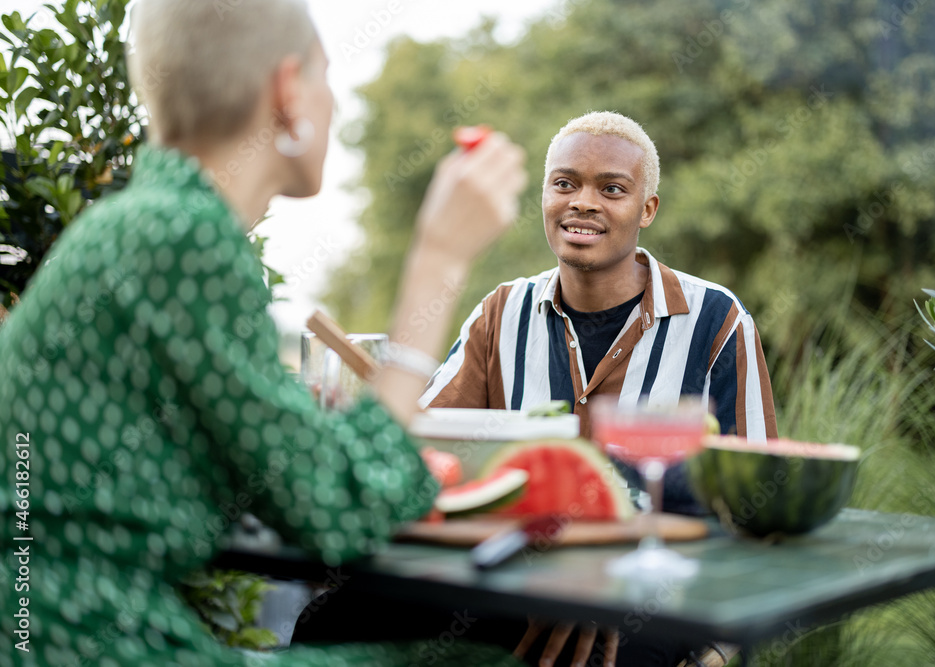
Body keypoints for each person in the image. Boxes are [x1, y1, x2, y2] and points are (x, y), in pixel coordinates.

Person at [0, 0, 527, 665]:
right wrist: (440, 262)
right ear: (287, 92)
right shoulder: (183, 237)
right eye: (326, 78)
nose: (334, 104)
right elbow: (339, 507)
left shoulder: (142, 225)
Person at [420, 110, 778, 513]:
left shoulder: (718, 319)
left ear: (647, 209)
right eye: (564, 184)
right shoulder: (499, 312)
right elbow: (424, 446)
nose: (583, 203)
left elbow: (754, 483)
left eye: (611, 189)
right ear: (544, 194)